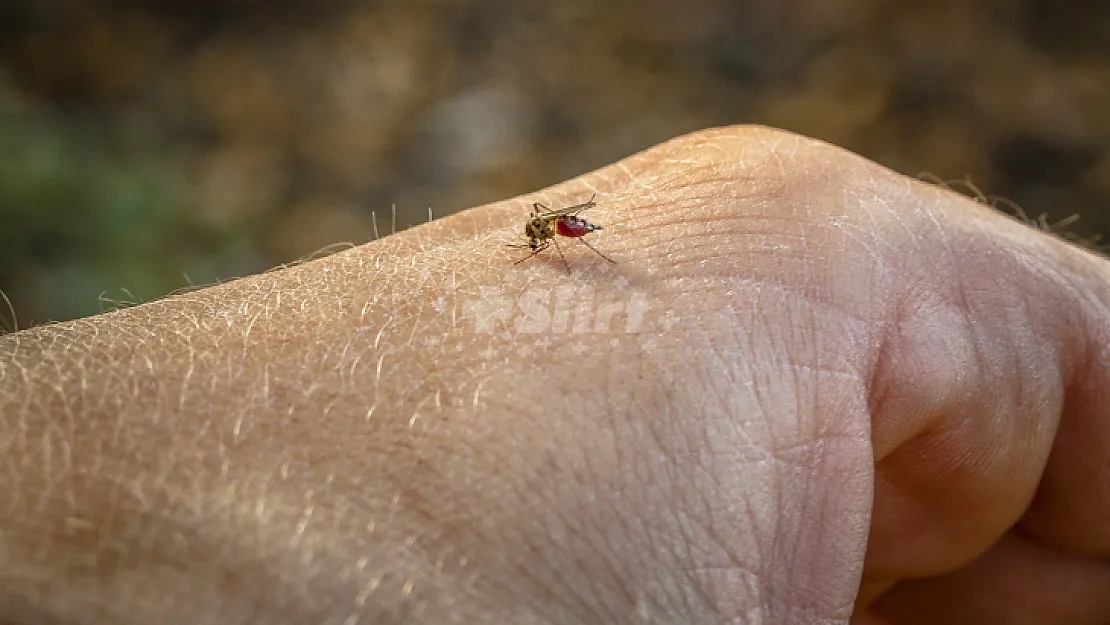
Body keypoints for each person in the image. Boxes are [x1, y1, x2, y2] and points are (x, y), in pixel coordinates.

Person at [1, 125, 1107, 625]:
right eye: (549, 232)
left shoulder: (564, 234)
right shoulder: (551, 240)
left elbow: (571, 236)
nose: (550, 234)